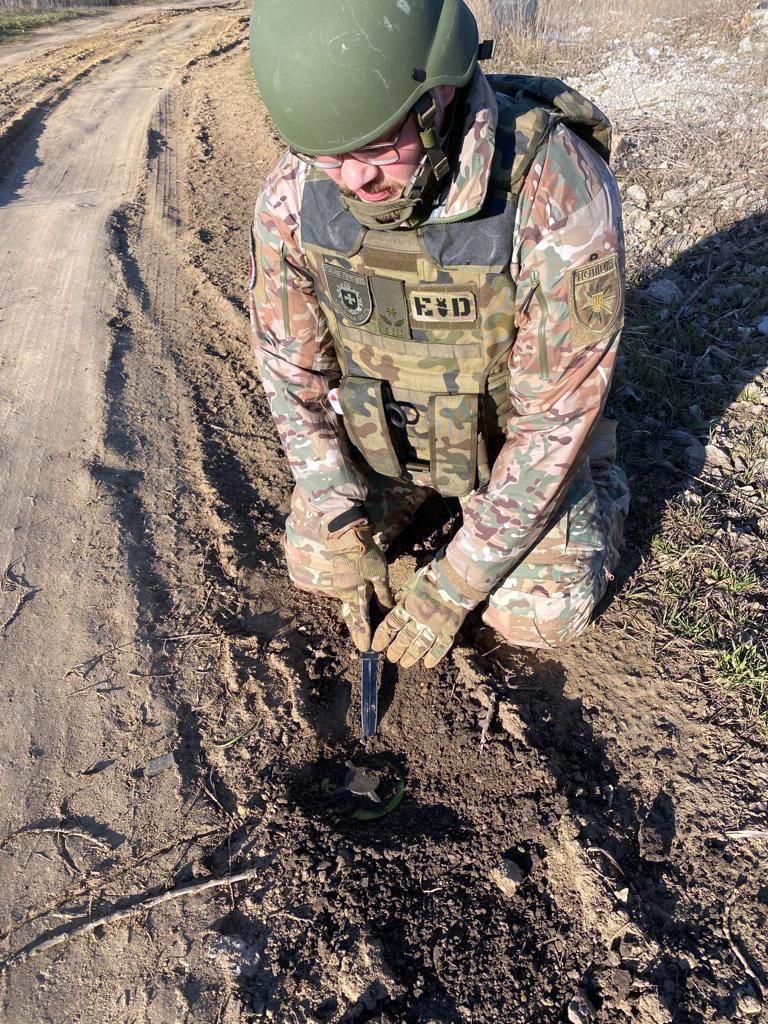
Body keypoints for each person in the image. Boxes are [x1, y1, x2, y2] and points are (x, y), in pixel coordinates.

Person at [247, 0, 629, 670]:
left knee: (538, 613)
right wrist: (340, 517)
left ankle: (606, 492)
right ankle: (416, 495)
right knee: (313, 562)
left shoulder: (554, 186)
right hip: (389, 439)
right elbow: (290, 374)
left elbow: (553, 419)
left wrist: (453, 588)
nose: (354, 180)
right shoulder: (296, 192)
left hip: (511, 447)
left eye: (376, 147)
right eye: (327, 156)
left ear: (441, 93)